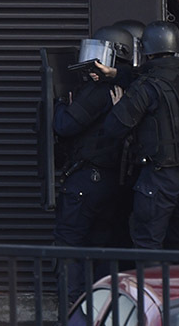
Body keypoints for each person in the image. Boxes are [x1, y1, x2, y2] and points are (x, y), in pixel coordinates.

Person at [104, 21, 179, 251]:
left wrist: (118, 103)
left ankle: (151, 288)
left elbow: (114, 128)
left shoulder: (147, 85)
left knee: (147, 244)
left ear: (147, 50)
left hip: (160, 176)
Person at [52, 25, 134, 304]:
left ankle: (74, 315)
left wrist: (61, 104)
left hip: (87, 182)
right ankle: (104, 313)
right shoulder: (132, 88)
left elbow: (64, 126)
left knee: (69, 249)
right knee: (104, 251)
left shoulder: (98, 90)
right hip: (115, 183)